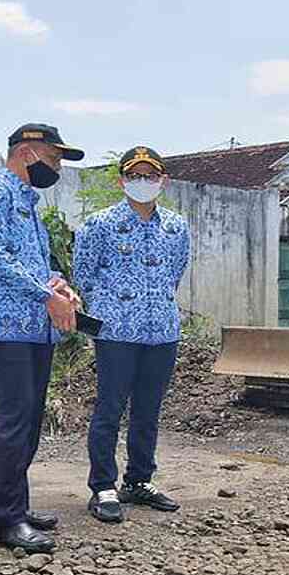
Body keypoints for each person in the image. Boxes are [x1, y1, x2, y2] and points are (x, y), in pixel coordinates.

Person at [0, 124, 83, 553]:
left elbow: (36, 263)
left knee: (28, 418)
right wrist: (45, 294)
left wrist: (60, 285)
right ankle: (7, 521)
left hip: (33, 325)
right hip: (2, 324)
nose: (57, 168)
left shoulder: (28, 204)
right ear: (28, 152)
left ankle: (6, 503)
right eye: (54, 159)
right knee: (14, 419)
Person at [73, 146, 190, 523]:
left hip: (162, 332)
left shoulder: (177, 226)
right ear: (122, 181)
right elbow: (84, 276)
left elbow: (175, 273)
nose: (143, 182)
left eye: (150, 175)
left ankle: (139, 481)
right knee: (110, 408)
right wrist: (115, 309)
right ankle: (103, 486)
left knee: (148, 411)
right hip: (117, 332)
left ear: (163, 181)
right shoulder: (99, 225)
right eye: (135, 175)